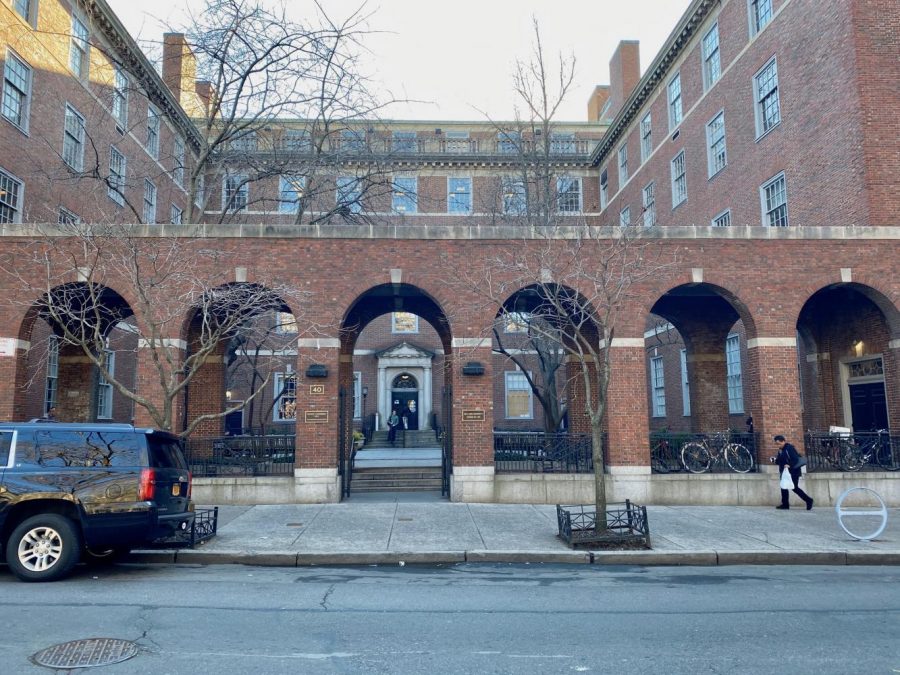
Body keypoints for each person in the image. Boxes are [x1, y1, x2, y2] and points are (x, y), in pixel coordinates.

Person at [770, 434, 813, 510]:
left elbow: (795, 459)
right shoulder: (780, 450)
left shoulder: (789, 448)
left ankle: (809, 500)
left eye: (779, 443)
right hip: (785, 472)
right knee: (783, 487)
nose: (778, 445)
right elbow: (780, 461)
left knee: (794, 488)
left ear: (783, 441)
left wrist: (789, 465)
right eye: (777, 444)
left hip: (793, 471)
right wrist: (775, 461)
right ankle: (785, 504)